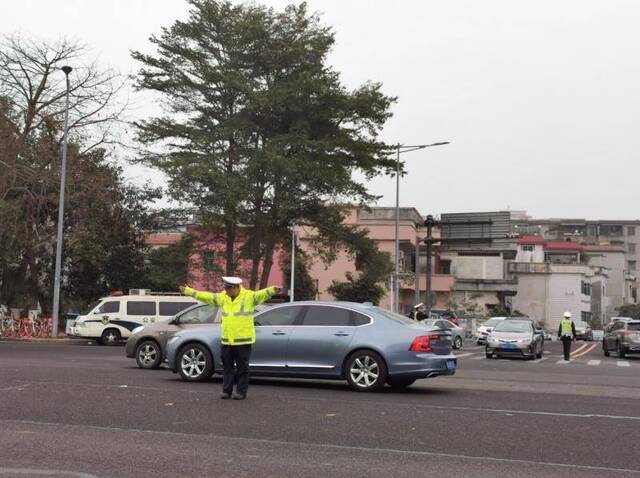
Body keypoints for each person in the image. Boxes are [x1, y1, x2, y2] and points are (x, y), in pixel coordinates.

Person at [180, 277, 280, 400]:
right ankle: (226, 391)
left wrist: (273, 290)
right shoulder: (223, 297)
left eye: (228, 289)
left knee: (242, 368)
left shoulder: (248, 297)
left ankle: (241, 392)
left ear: (235, 288)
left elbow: (261, 295)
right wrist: (189, 291)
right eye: (225, 289)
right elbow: (206, 296)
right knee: (227, 367)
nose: (226, 291)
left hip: (243, 340)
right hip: (227, 340)